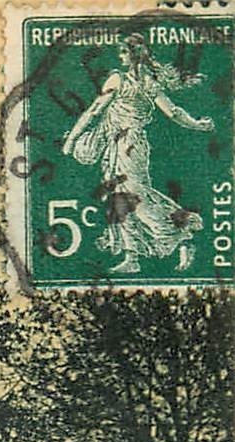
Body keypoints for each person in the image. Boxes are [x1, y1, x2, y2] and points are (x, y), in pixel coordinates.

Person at [61, 33, 215, 274]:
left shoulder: (121, 79)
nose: (120, 56)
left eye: (123, 52)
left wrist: (71, 140)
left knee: (137, 198)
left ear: (133, 56)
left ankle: (182, 237)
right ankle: (132, 257)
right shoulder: (144, 81)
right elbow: (173, 112)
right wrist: (196, 124)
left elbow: (93, 112)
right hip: (118, 145)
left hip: (130, 146)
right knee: (118, 198)